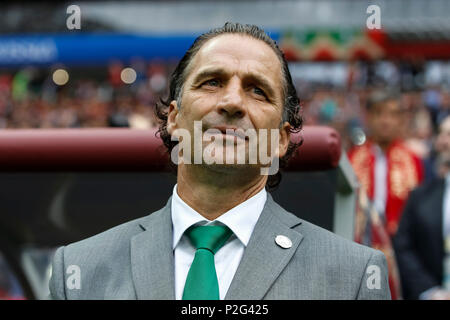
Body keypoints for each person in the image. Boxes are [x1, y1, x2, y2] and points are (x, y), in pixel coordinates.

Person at [48, 23, 390, 300]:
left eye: (258, 90)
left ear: (282, 139)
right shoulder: (79, 270)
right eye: (212, 82)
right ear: (174, 119)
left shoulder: (353, 277)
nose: (231, 102)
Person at [348, 90, 424, 239]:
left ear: (401, 119)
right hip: (361, 240)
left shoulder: (414, 161)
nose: (385, 121)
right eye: (379, 114)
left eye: (392, 115)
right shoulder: (352, 158)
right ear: (368, 117)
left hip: (402, 242)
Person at [394, 115, 450, 300]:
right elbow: (404, 246)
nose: (442, 141)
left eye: (449, 134)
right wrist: (430, 291)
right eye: (441, 134)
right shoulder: (421, 195)